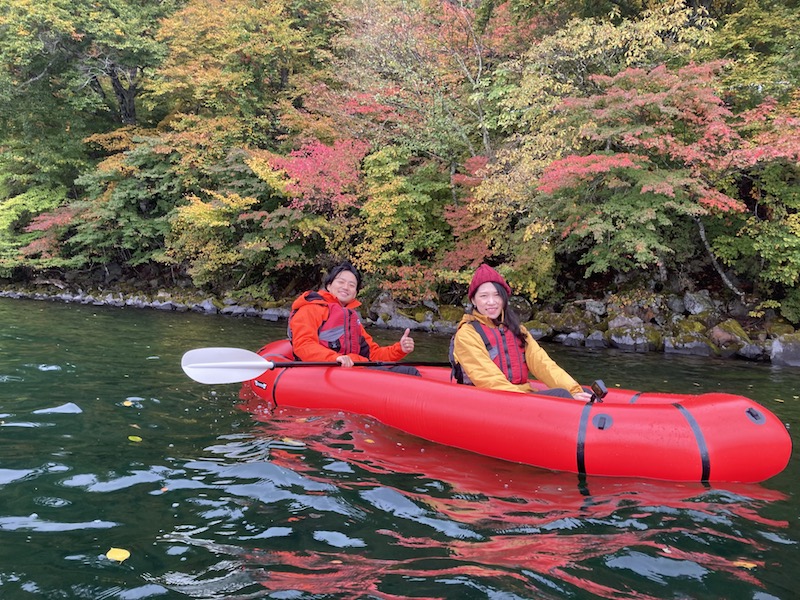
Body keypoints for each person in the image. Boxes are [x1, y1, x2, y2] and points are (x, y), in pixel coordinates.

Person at [451, 264, 591, 399]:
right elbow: (489, 379)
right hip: (490, 399)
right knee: (562, 396)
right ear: (474, 300)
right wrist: (524, 399)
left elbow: (543, 364)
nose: (491, 301)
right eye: (484, 296)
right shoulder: (467, 334)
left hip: (520, 396)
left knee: (578, 392)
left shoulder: (517, 329)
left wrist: (574, 390)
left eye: (496, 295)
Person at [288, 261, 420, 376]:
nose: (346, 287)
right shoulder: (311, 308)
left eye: (351, 285)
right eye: (341, 282)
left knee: (409, 371)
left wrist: (400, 349)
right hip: (320, 372)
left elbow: (373, 355)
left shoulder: (351, 319)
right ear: (329, 286)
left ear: (355, 293)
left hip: (349, 370)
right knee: (409, 374)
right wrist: (336, 358)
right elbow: (303, 345)